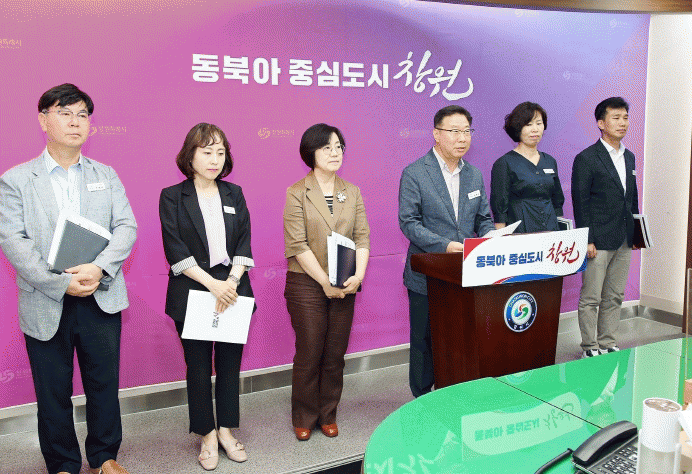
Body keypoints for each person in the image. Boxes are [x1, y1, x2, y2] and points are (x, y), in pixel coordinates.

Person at [0, 84, 136, 474]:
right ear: (43, 120)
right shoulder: (16, 180)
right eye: (64, 113)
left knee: (103, 384)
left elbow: (126, 226)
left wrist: (99, 268)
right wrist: (61, 283)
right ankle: (62, 463)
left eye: (82, 115)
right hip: (46, 300)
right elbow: (13, 242)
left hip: (100, 294)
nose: (75, 122)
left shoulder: (105, 174)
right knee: (52, 390)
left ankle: (105, 456)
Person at [159, 123, 254, 469]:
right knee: (198, 368)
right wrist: (214, 285)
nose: (215, 159)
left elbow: (244, 242)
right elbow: (175, 250)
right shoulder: (172, 196)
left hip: (233, 289)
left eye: (220, 152)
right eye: (207, 152)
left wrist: (231, 281)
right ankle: (207, 434)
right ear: (190, 155)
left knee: (230, 366)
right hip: (193, 290)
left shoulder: (234, 193)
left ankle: (226, 430)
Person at [399, 105, 495, 398]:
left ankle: (454, 392)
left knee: (460, 338)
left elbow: (483, 218)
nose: (462, 138)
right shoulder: (415, 173)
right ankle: (422, 398)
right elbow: (409, 222)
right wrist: (445, 246)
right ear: (436, 134)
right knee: (425, 340)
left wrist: (491, 236)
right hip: (427, 273)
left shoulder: (474, 174)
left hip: (465, 272)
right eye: (454, 131)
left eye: (466, 131)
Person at [283, 123, 370, 440]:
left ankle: (328, 414)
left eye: (338, 147)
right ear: (311, 153)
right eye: (326, 147)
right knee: (310, 352)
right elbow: (297, 245)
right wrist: (323, 281)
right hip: (307, 283)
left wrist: (358, 276)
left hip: (345, 281)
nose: (335, 153)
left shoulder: (352, 191)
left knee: (335, 354)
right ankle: (304, 416)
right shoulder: (297, 192)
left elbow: (362, 239)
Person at [571, 97, 639, 358]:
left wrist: (635, 233)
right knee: (591, 297)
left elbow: (631, 198)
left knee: (615, 295)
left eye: (625, 118)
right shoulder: (587, 158)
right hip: (597, 240)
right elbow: (581, 201)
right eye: (616, 118)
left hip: (624, 237)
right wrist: (587, 239)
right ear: (601, 123)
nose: (623, 123)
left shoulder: (629, 157)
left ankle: (608, 341)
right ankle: (589, 346)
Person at [490, 102, 565, 233]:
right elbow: (500, 210)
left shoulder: (550, 161)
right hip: (520, 233)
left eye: (539, 123)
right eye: (528, 124)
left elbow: (557, 202)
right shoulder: (504, 163)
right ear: (517, 128)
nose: (535, 129)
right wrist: (501, 238)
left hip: (550, 231)